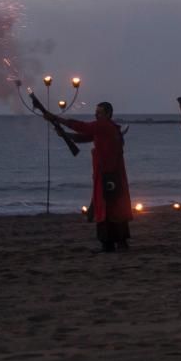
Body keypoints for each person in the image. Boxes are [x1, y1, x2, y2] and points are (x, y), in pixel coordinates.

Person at [44, 102, 133, 252]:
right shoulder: (105, 128)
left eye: (99, 112)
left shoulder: (104, 126)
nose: (96, 115)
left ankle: (111, 243)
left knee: (109, 207)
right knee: (111, 206)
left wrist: (56, 118)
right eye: (96, 112)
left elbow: (82, 126)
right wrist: (65, 135)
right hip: (107, 174)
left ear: (108, 114)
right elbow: (84, 137)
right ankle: (115, 242)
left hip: (109, 174)